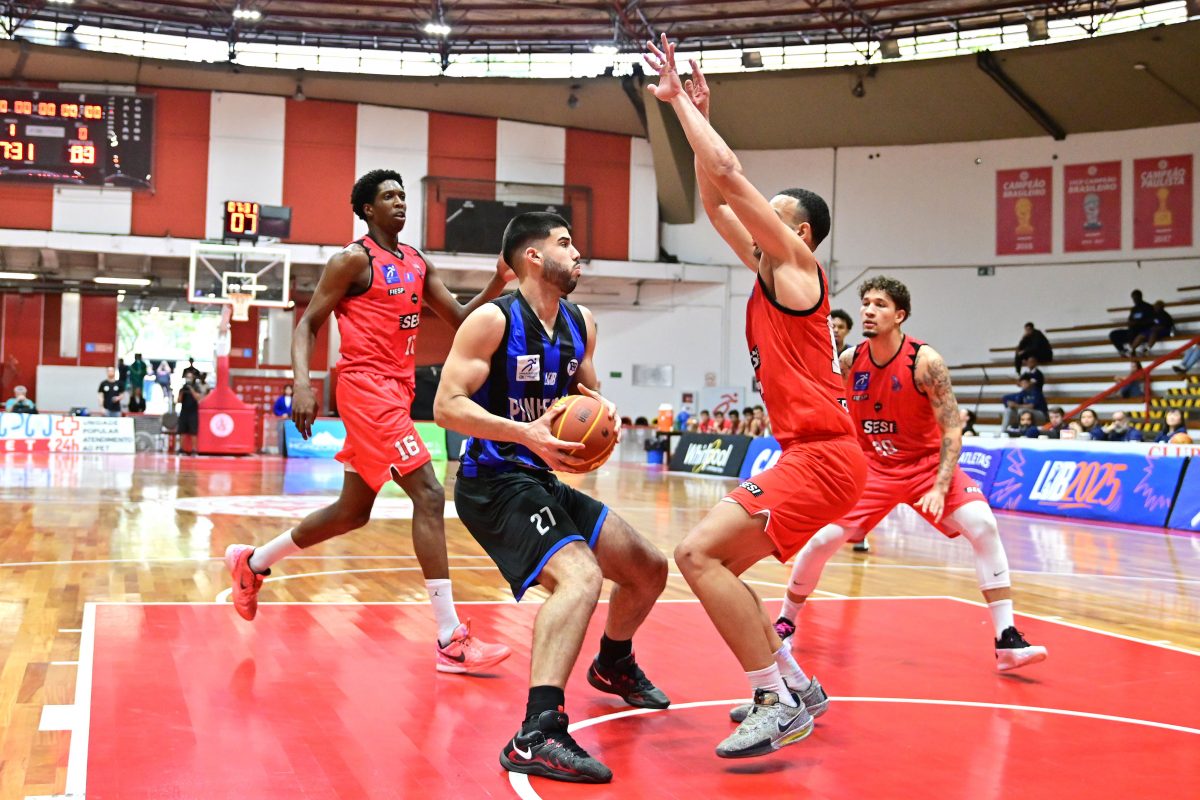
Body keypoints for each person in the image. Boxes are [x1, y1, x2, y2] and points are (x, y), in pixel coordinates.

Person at [646, 38, 867, 758]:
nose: (753, 218)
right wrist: (698, 118)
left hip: (825, 456)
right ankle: (797, 684)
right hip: (812, 453)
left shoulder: (797, 269)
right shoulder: (770, 271)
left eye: (769, 214)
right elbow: (716, 203)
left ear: (797, 232)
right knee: (722, 568)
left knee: (696, 554)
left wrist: (680, 104)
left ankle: (776, 699)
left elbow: (727, 174)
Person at [224, 169, 514, 673]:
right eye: (388, 196)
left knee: (351, 512)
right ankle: (450, 638)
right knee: (429, 494)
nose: (400, 202)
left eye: (402, 195)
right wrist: (301, 384)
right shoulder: (352, 260)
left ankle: (252, 563)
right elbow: (307, 325)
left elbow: (461, 319)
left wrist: (497, 282)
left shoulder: (416, 262)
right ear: (367, 209)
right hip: (364, 389)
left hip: (397, 390)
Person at [434, 212, 669, 783]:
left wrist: (604, 415)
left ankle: (613, 663)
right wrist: (526, 433)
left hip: (540, 480)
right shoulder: (492, 319)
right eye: (565, 243)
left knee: (648, 569)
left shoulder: (581, 322)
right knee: (581, 578)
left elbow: (588, 394)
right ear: (533, 256)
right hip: (492, 482)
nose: (577, 252)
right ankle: (536, 734)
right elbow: (446, 407)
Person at [776, 276, 1047, 676]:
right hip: (871, 469)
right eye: (866, 303)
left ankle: (1007, 639)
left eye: (880, 305)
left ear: (899, 315)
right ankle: (784, 624)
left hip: (924, 465)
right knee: (820, 541)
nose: (869, 311)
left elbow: (952, 428)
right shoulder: (850, 361)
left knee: (983, 525)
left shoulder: (925, 362)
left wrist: (940, 487)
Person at [1109, 290, 1155, 356]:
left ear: (1141, 297)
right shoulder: (1134, 309)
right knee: (1113, 334)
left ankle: (1132, 352)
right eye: (1133, 298)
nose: (1135, 300)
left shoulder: (1148, 307)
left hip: (1142, 331)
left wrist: (1138, 323)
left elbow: (1151, 321)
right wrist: (1130, 323)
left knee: (1133, 332)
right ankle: (1123, 351)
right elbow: (1130, 320)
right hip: (1132, 330)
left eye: (1136, 298)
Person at [176, 378, 205, 455]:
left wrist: (191, 390)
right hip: (184, 412)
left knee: (193, 431)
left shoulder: (196, 388)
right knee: (182, 431)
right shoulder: (183, 389)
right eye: (187, 377)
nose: (188, 379)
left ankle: (194, 449)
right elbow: (178, 400)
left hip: (193, 412)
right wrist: (182, 392)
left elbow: (198, 398)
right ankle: (181, 448)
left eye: (190, 377)